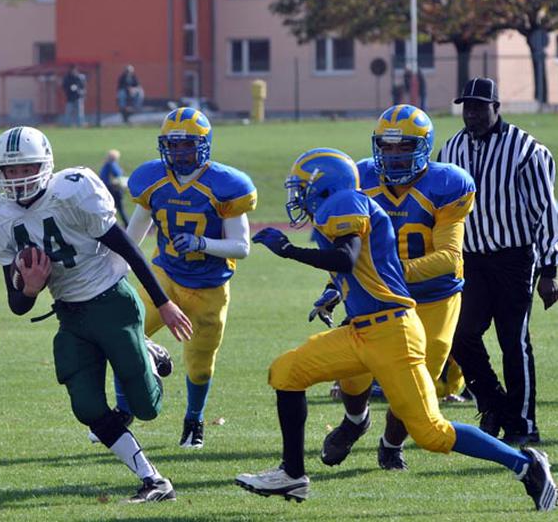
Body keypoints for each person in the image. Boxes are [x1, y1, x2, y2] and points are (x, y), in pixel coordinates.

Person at [236, 148, 556, 511]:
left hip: (392, 333)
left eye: (303, 187)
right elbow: (351, 270)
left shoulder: (345, 203)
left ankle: (527, 464)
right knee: (286, 371)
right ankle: (292, 475)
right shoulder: (345, 205)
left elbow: (346, 257)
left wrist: (289, 251)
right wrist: (330, 292)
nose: (298, 196)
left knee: (432, 433)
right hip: (361, 330)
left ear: (324, 186)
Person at [0, 126, 194, 503]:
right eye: (8, 170)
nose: (17, 178)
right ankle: (153, 479)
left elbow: (129, 249)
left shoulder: (73, 192)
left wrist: (163, 303)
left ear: (45, 164)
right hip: (70, 317)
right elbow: (18, 305)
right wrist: (30, 287)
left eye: (25, 167)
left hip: (112, 301)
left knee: (147, 407)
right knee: (88, 407)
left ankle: (145, 350)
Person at [318, 105, 476, 471]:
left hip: (435, 296)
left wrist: (390, 272)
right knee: (353, 368)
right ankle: (355, 422)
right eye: (386, 147)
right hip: (378, 297)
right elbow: (347, 246)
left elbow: (449, 257)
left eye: (403, 146)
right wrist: (333, 287)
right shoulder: (360, 179)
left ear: (423, 146)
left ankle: (391, 444)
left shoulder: (446, 184)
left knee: (417, 379)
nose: (393, 155)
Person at [121, 107, 257, 449]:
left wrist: (202, 243)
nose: (180, 152)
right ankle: (122, 414)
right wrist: (114, 265)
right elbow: (132, 234)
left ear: (204, 145)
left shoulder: (226, 185)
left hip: (208, 289)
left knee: (199, 367)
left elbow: (241, 247)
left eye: (187, 145)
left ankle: (193, 420)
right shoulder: (153, 180)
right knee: (123, 336)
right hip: (163, 278)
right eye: (173, 145)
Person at [437, 77, 558, 445]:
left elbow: (546, 212)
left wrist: (550, 270)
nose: (471, 114)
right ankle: (493, 404)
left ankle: (522, 425)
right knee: (460, 335)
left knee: (513, 341)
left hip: (514, 258)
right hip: (470, 258)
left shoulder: (526, 150)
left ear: (496, 107)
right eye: (466, 107)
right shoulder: (451, 148)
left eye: (478, 106)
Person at [99, 149, 129, 226]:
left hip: (107, 189)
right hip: (113, 189)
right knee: (119, 208)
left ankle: (111, 224)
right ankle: (126, 224)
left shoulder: (107, 164)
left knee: (109, 207)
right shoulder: (111, 164)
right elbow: (117, 174)